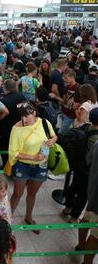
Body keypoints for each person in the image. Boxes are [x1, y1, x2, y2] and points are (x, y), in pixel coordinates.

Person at [8, 101, 57, 234]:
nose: (24, 119)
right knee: (17, 194)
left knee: (32, 193)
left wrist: (53, 140)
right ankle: (7, 221)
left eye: (27, 116)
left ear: (34, 113)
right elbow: (13, 153)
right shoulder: (16, 128)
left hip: (41, 165)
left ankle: (29, 217)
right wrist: (34, 157)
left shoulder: (45, 123)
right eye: (21, 116)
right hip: (22, 165)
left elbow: (54, 136)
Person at [0, 79, 25, 168]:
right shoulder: (21, 96)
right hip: (19, 126)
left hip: (6, 128)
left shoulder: (4, 100)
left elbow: (0, 114)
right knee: (16, 147)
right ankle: (15, 165)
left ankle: (6, 166)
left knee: (4, 148)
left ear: (5, 88)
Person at [82, 109, 98, 264]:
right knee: (96, 236)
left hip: (92, 191)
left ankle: (80, 244)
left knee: (86, 218)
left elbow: (88, 160)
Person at [50, 69, 80, 134]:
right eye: (64, 78)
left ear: (72, 77)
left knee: (61, 132)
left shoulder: (78, 88)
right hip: (64, 111)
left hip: (70, 114)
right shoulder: (66, 87)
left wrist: (55, 96)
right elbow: (64, 101)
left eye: (66, 78)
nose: (64, 79)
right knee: (64, 130)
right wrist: (56, 97)